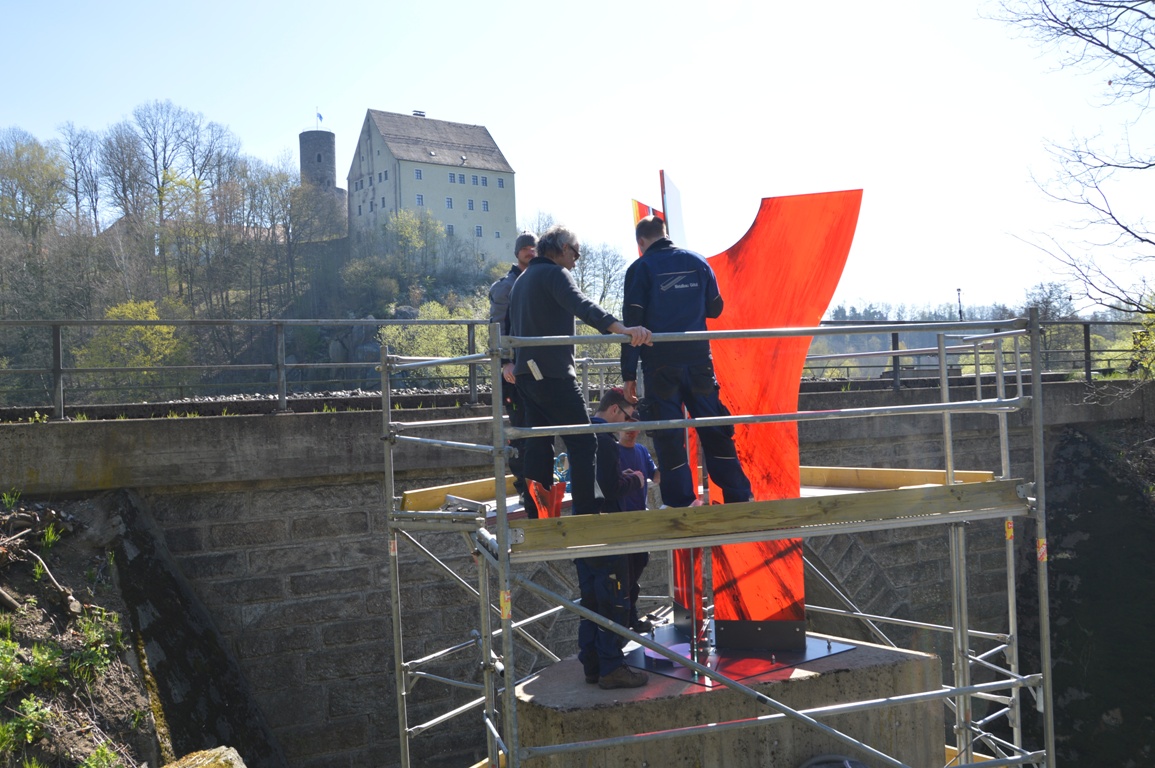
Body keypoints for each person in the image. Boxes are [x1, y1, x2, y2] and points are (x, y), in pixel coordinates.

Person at [508, 224, 652, 689]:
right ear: (557, 248)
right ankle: (588, 508)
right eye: (575, 250)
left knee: (535, 441)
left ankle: (536, 509)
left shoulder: (523, 278)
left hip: (529, 372)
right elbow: (582, 308)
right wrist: (622, 330)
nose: (577, 258)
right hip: (553, 370)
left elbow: (512, 327)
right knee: (584, 442)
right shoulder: (551, 274)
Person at [621, 215, 753, 508]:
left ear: (640, 242)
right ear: (665, 233)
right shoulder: (698, 262)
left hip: (660, 365)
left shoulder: (640, 268)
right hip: (698, 361)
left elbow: (632, 324)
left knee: (669, 434)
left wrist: (628, 374)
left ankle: (681, 502)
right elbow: (715, 309)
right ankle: (738, 494)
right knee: (714, 427)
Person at [488, 232, 539, 517]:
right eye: (526, 250)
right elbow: (498, 328)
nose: (531, 253)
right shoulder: (506, 287)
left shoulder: (535, 281)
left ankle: (538, 485)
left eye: (534, 249)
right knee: (520, 430)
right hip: (514, 372)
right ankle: (524, 488)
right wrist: (506, 362)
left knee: (537, 429)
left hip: (535, 369)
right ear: (518, 253)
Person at [617, 419, 659, 632]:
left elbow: (656, 476)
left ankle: (630, 619)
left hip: (640, 522)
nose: (631, 431)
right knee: (624, 577)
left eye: (635, 426)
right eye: (627, 425)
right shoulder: (612, 452)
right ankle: (626, 621)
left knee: (638, 567)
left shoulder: (642, 451)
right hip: (621, 524)